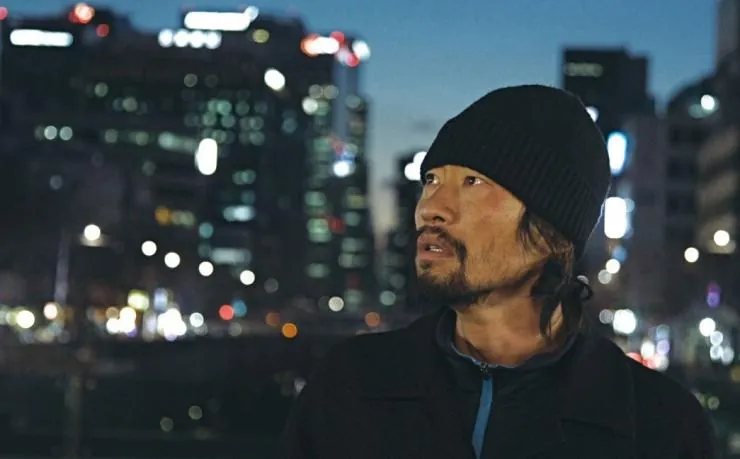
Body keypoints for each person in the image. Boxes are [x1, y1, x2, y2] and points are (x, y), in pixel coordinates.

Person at [278, 85, 715, 458]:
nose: (431, 208)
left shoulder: (656, 425)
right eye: (431, 180)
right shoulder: (352, 385)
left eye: (473, 182)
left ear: (550, 233)